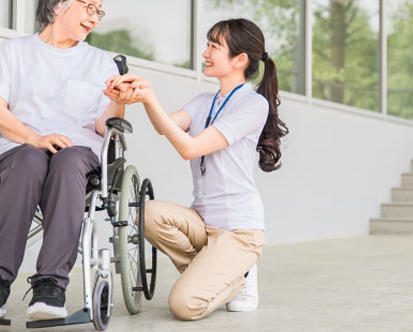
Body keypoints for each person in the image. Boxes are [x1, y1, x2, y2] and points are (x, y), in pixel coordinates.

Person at [0, 0, 127, 321]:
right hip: (20, 148)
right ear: (57, 4)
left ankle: (50, 287)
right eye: (89, 7)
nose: (94, 17)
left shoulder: (102, 63)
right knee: (29, 161)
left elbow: (104, 125)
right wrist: (34, 138)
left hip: (77, 155)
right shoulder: (15, 51)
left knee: (68, 162)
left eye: (99, 10)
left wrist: (119, 99)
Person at [105, 18, 288, 321]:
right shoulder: (204, 101)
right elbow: (163, 126)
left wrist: (149, 98)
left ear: (239, 60)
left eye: (214, 47)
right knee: (146, 213)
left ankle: (238, 275)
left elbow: (190, 148)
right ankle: (218, 270)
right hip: (203, 223)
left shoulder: (253, 106)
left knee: (184, 306)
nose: (205, 53)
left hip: (238, 230)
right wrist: (143, 95)